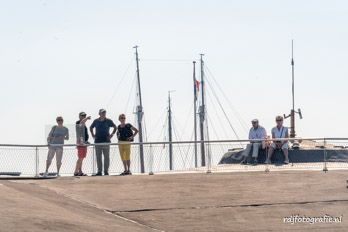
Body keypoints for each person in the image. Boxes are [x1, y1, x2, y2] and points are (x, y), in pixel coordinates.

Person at [90, 109, 117, 176]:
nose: (103, 114)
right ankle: (99, 171)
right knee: (98, 157)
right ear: (99, 113)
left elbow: (115, 127)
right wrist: (93, 135)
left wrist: (111, 135)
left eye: (104, 113)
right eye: (102, 113)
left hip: (106, 141)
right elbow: (91, 127)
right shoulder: (96, 121)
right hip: (98, 142)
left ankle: (106, 171)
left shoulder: (108, 121)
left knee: (106, 157)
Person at [74, 112, 91, 176]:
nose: (84, 116)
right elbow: (81, 123)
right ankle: (76, 172)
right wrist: (87, 118)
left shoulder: (84, 124)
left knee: (82, 158)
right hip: (81, 143)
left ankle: (80, 171)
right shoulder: (78, 122)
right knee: (80, 157)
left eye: (85, 115)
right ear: (79, 116)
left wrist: (86, 141)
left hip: (84, 143)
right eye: (82, 115)